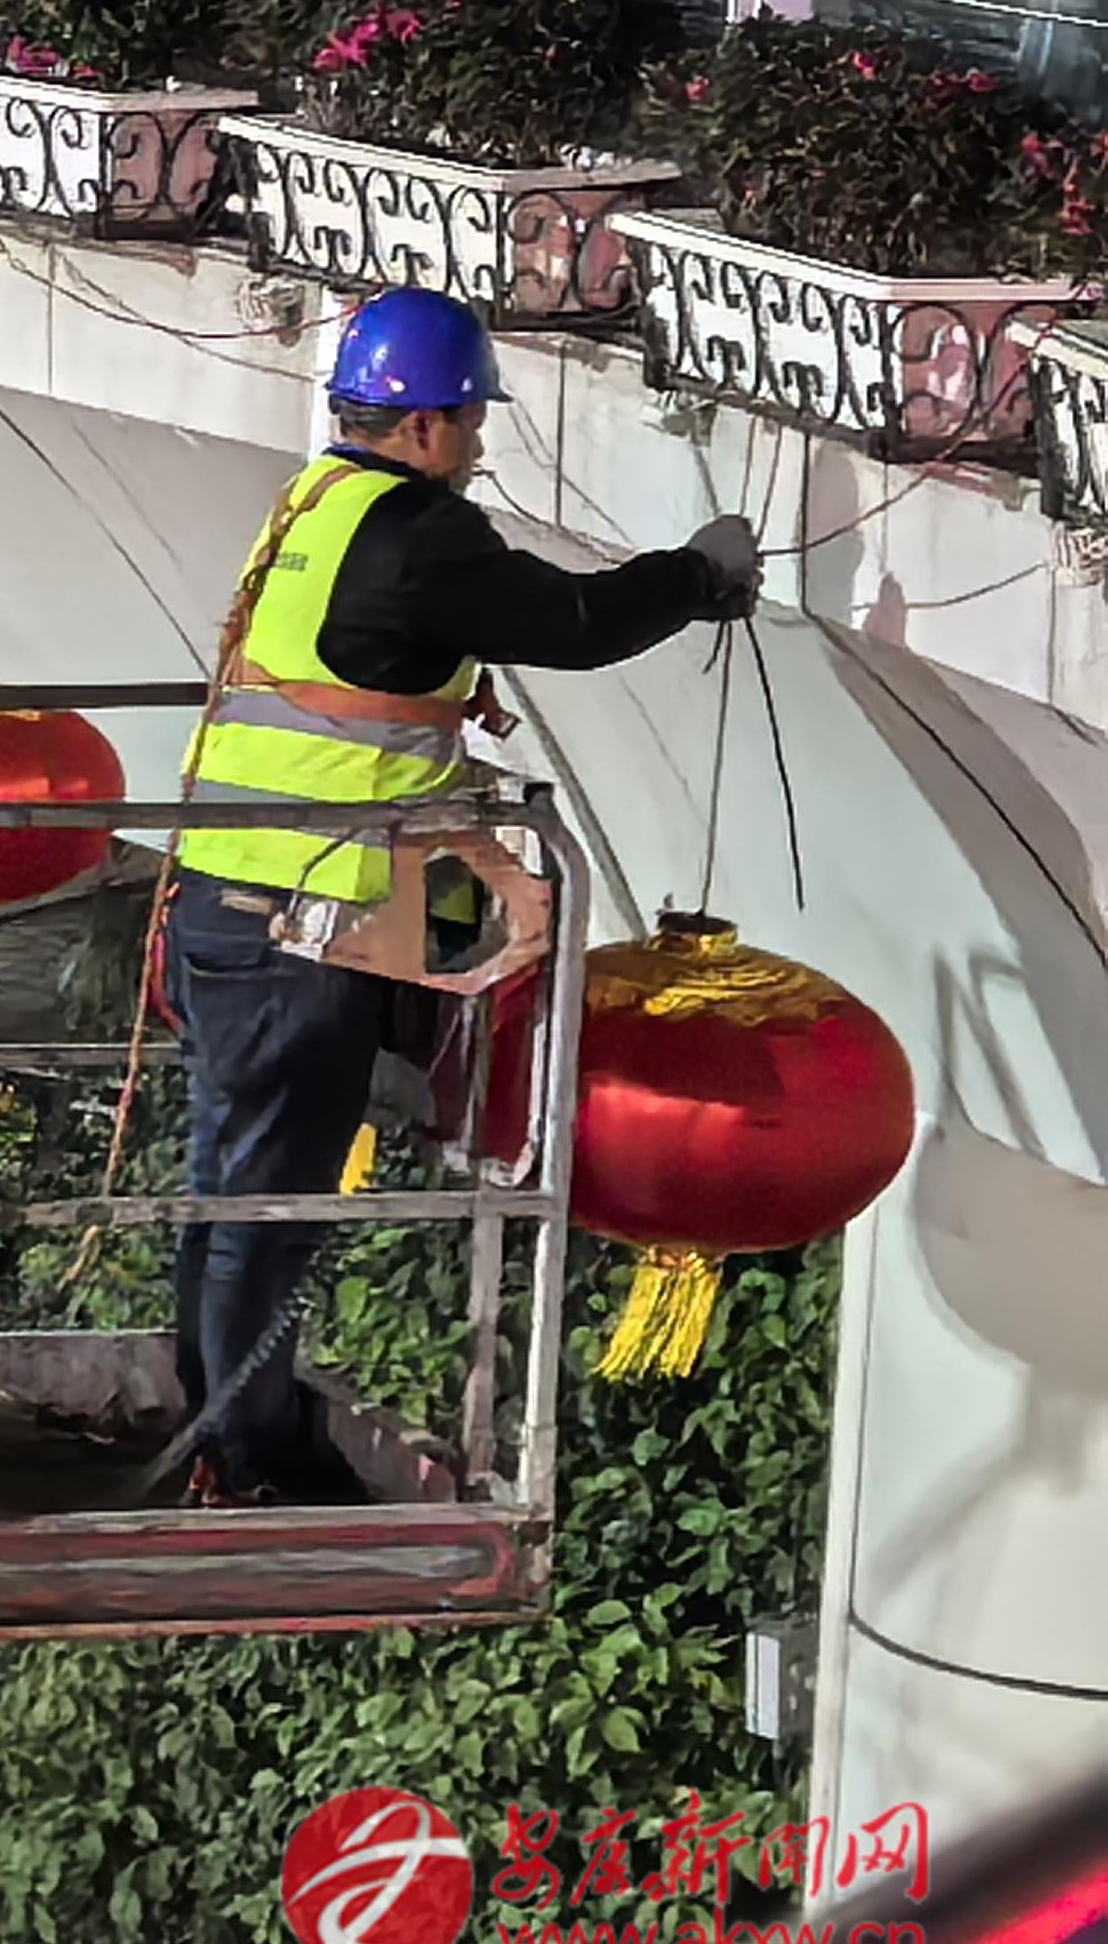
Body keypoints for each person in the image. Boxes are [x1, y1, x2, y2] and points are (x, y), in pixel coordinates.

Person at [165, 287, 760, 1500]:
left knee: (228, 1189)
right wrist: (698, 575)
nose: (478, 444)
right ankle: (252, 1455)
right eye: (472, 421)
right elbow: (575, 622)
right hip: (301, 930)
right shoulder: (418, 534)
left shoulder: (314, 504)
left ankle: (220, 1432)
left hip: (224, 901)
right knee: (265, 1207)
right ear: (426, 424)